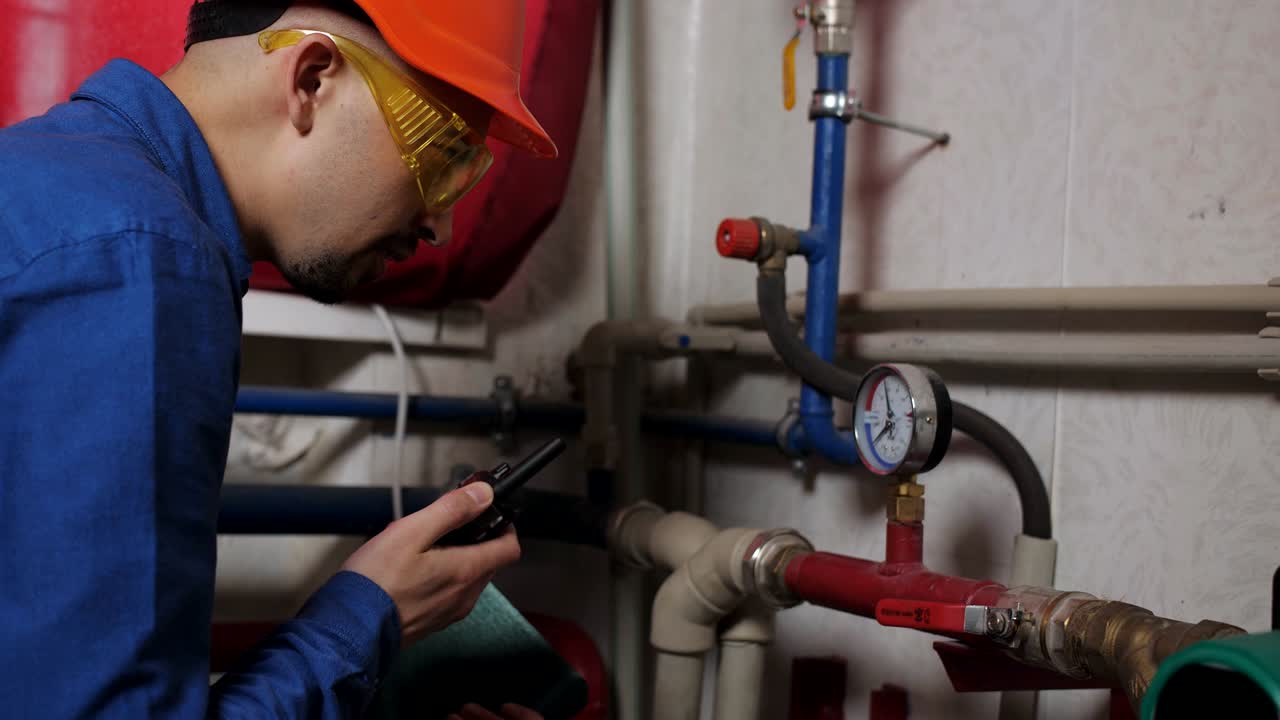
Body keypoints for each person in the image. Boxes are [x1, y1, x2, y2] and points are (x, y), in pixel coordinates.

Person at [0, 0, 558, 718]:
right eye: (443, 153)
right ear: (313, 79)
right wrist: (371, 615)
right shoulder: (140, 265)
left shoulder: (56, 182)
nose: (441, 226)